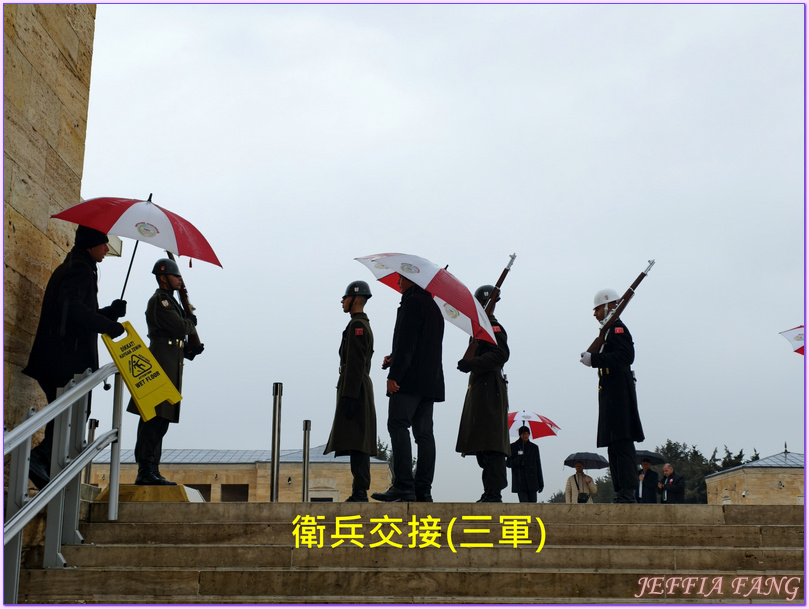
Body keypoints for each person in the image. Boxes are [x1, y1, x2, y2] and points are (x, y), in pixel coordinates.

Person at [22, 225, 126, 489]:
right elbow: (75, 310)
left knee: (69, 416)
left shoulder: (78, 266)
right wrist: (108, 325)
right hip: (65, 360)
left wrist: (109, 313)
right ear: (91, 244)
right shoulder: (79, 268)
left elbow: (75, 310)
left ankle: (44, 464)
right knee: (71, 414)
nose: (106, 248)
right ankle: (39, 459)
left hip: (62, 358)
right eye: (103, 243)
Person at [372, 274, 444, 503]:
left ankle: (404, 485)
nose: (398, 283)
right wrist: (394, 357)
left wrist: (394, 375)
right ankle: (423, 489)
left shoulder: (412, 303)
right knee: (424, 434)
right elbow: (421, 345)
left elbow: (407, 342)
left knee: (398, 425)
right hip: (430, 381)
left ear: (412, 280)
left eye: (401, 279)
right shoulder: (434, 306)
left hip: (409, 380)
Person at [126, 258, 197, 485]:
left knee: (162, 420)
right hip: (160, 362)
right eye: (176, 276)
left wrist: (188, 349)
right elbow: (178, 327)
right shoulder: (160, 301)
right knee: (153, 418)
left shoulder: (171, 302)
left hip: (171, 361)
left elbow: (175, 335)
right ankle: (145, 469)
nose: (180, 279)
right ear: (164, 277)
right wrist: (190, 321)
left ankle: (153, 468)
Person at [580, 288, 645, 503]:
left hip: (619, 394)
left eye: (597, 308)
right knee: (614, 445)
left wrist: (595, 360)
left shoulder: (617, 328)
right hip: (610, 393)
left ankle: (628, 492)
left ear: (609, 306)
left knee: (623, 445)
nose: (595, 314)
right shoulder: (608, 331)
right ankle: (621, 491)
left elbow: (626, 356)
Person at [455, 285, 510, 503]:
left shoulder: (493, 328)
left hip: (490, 391)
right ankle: (489, 491)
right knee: (482, 445)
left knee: (492, 445)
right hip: (480, 390)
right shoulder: (480, 329)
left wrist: (472, 363)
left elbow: (501, 354)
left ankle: (494, 492)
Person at [324, 281, 378, 502]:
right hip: (355, 386)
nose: (342, 301)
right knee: (357, 441)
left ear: (355, 299)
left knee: (358, 442)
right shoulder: (358, 325)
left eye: (345, 298)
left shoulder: (358, 326)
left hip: (355, 387)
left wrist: (350, 395)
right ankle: (359, 489)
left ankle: (360, 491)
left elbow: (355, 363)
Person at [506, 426, 544, 503]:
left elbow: (538, 465)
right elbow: (508, 463)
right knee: (524, 506)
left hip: (533, 483)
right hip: (520, 482)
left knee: (533, 507)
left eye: (527, 433)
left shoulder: (534, 448)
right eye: (524, 433)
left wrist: (541, 483)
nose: (526, 435)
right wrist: (519, 460)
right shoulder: (513, 447)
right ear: (520, 435)